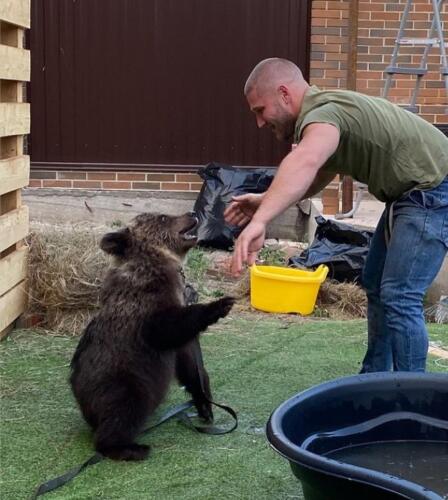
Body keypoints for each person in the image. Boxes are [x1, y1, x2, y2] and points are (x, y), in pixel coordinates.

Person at [224, 57, 448, 373]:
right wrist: (265, 202)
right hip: (410, 194)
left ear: (285, 94)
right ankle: (375, 381)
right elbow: (315, 175)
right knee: (375, 283)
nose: (260, 122)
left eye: (260, 110)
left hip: (433, 190)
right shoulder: (328, 110)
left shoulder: (321, 115)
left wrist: (260, 222)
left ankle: (412, 398)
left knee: (400, 295)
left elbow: (306, 160)